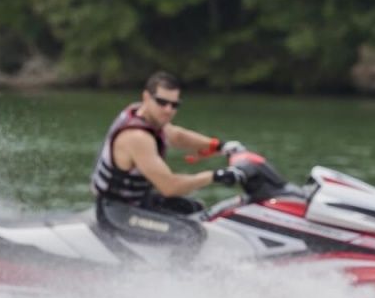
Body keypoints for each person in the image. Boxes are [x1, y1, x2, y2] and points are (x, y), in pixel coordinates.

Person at [90, 70, 277, 247]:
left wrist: (221, 146)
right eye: (162, 102)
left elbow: (177, 135)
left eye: (174, 105)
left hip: (139, 201)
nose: (168, 109)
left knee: (196, 209)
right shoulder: (137, 138)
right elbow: (169, 187)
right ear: (146, 97)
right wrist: (215, 176)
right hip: (117, 212)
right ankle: (175, 279)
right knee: (190, 234)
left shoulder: (147, 116)